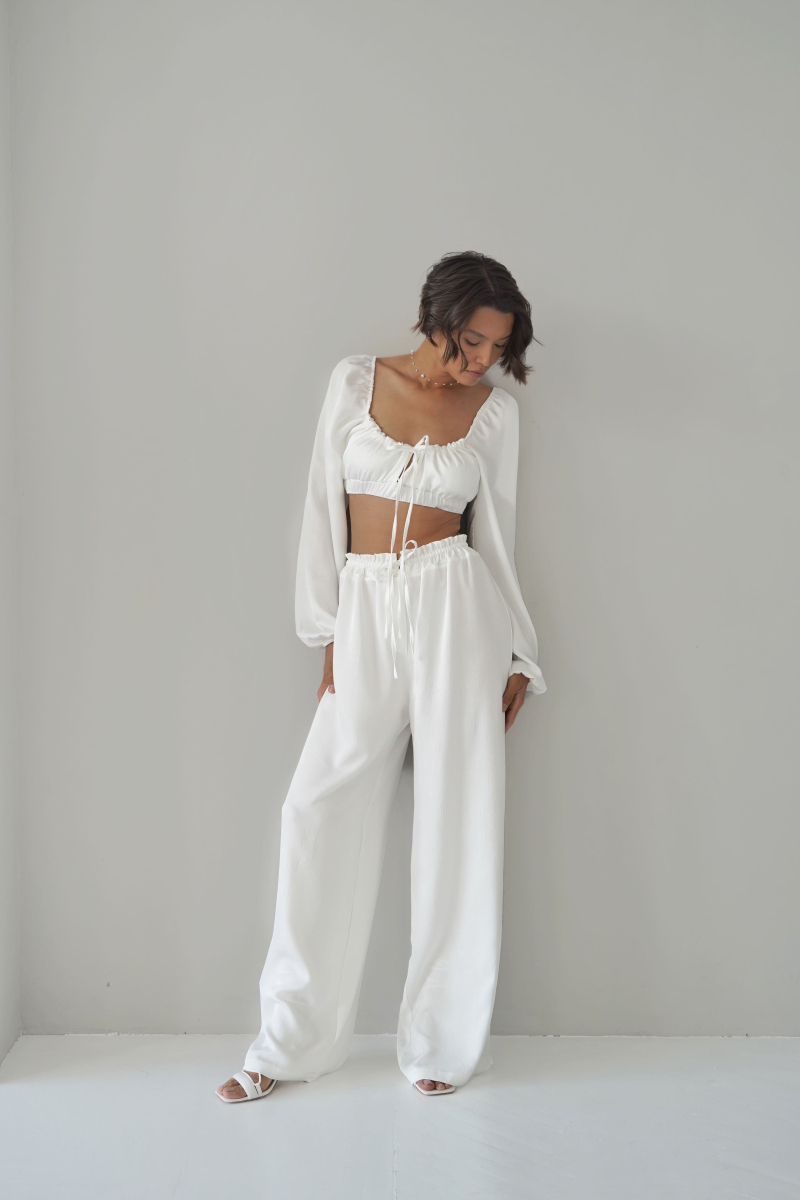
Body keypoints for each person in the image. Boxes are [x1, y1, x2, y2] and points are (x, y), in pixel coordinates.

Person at [216, 250, 547, 1103]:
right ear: (437, 318)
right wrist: (329, 627)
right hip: (365, 609)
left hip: (457, 609)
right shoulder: (355, 381)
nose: (482, 360)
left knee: (457, 821)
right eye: (472, 341)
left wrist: (519, 652)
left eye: (498, 347)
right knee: (313, 809)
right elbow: (319, 506)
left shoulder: (496, 415)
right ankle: (287, 1044)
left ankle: (440, 1043)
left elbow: (497, 536)